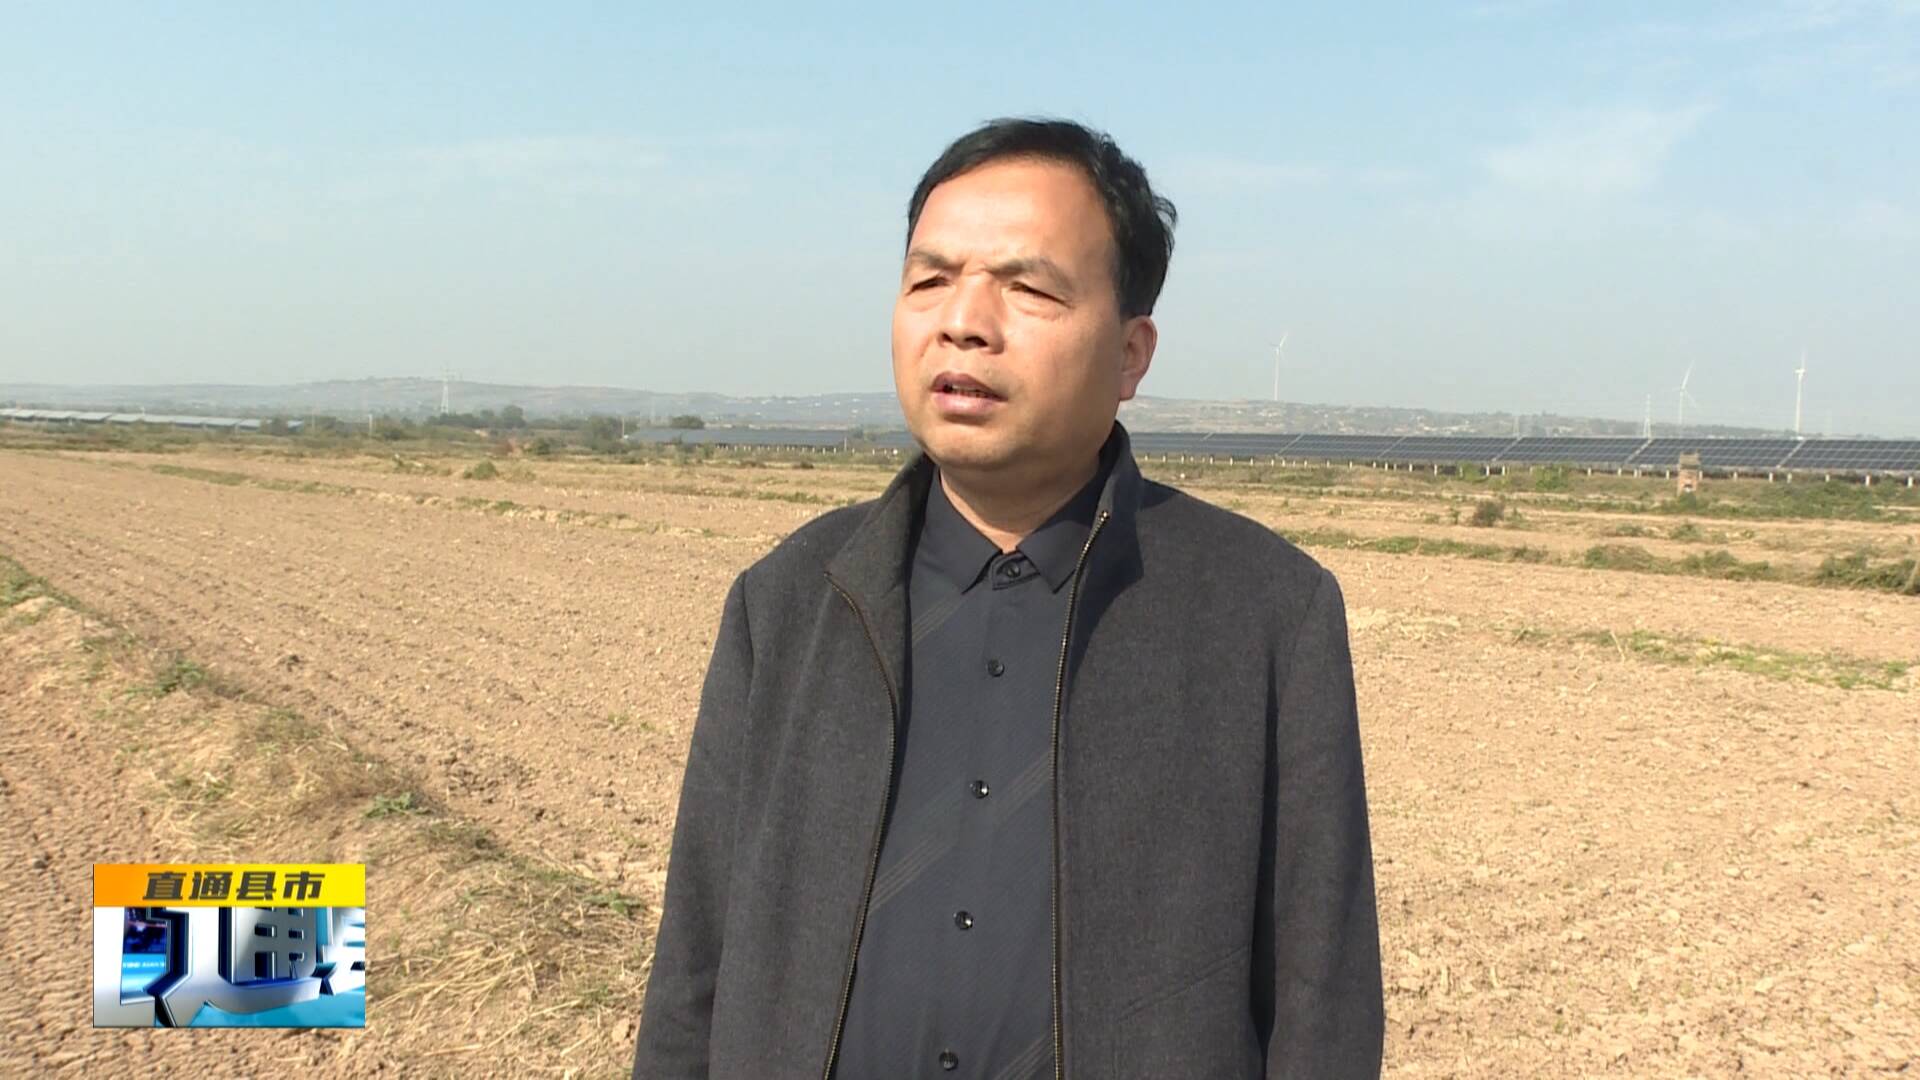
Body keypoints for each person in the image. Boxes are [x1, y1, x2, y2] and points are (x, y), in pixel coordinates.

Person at [632, 117, 1382, 1080]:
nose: (964, 322)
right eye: (930, 280)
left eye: (1027, 288)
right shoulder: (785, 603)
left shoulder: (1266, 614)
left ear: (1131, 354)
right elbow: (694, 971)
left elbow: (1322, 997)